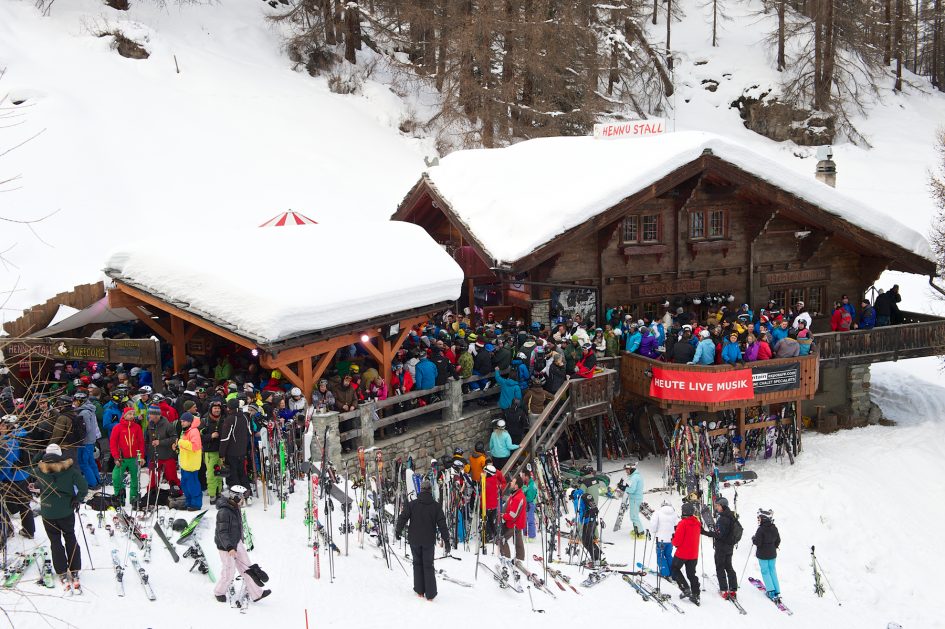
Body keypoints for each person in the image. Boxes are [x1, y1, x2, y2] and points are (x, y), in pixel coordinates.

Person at [34, 444, 88, 591]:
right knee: (70, 536)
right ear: (60, 455)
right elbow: (84, 487)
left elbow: (29, 467)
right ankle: (75, 567)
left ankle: (61, 571)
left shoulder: (40, 470)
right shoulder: (69, 470)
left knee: (55, 541)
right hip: (66, 510)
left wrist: (39, 455)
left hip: (48, 511)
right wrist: (78, 498)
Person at [213, 485, 271, 603]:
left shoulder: (235, 507)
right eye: (241, 497)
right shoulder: (224, 512)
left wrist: (240, 539)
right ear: (234, 497)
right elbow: (222, 532)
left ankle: (257, 593)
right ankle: (219, 592)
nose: (243, 500)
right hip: (226, 547)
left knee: (247, 568)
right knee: (229, 570)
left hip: (236, 541)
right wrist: (229, 547)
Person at [395, 478, 450, 600]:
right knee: (428, 565)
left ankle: (419, 590)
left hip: (414, 539)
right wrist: (446, 540)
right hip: (428, 541)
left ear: (421, 490)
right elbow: (442, 524)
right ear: (430, 491)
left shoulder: (412, 504)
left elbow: (403, 517)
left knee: (417, 563)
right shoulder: (436, 506)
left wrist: (398, 530)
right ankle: (430, 594)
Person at [0, 415, 35, 539]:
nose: (0, 427)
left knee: (6, 505)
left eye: (3, 425)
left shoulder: (8, 441)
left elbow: (6, 464)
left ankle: (8, 529)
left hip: (11, 477)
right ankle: (29, 530)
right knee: (24, 503)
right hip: (23, 474)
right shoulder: (21, 434)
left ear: (9, 426)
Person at [701, 497, 741, 600]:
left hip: (722, 547)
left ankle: (724, 590)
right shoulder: (731, 515)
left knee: (720, 567)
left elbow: (719, 535)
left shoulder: (723, 519)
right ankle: (733, 589)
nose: (716, 507)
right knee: (729, 567)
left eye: (717, 505)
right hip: (729, 546)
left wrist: (704, 532)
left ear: (722, 506)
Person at [109, 409, 144, 506]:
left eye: (133, 414)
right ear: (124, 415)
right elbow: (113, 443)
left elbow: (141, 443)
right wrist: (116, 457)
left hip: (134, 458)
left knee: (135, 479)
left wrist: (141, 457)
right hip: (122, 458)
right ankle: (120, 496)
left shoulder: (137, 427)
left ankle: (134, 498)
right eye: (129, 414)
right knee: (116, 477)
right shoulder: (117, 427)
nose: (132, 416)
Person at [671, 501, 701, 605]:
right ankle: (696, 593)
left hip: (682, 552)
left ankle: (685, 588)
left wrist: (673, 539)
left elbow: (677, 541)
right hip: (693, 554)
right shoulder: (697, 523)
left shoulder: (682, 523)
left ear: (684, 512)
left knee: (674, 569)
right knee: (691, 574)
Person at [219, 398, 251, 493]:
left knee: (233, 474)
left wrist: (221, 453)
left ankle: (237, 494)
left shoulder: (230, 419)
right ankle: (247, 491)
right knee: (242, 472)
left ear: (229, 408)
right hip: (242, 451)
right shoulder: (245, 417)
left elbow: (225, 438)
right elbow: (249, 433)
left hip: (232, 452)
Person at [71, 392, 101, 489]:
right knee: (91, 461)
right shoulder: (89, 410)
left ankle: (92, 483)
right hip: (90, 440)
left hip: (85, 441)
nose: (74, 403)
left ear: (80, 401)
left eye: (75, 401)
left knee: (84, 463)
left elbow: (86, 429)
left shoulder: (84, 412)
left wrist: (77, 436)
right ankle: (97, 480)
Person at [146, 404, 179, 490]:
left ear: (156, 415)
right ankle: (151, 495)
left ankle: (176, 493)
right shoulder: (150, 425)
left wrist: (160, 442)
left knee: (172, 479)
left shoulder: (168, 425)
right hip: (154, 456)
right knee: (152, 479)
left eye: (150, 414)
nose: (149, 416)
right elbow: (147, 439)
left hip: (167, 456)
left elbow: (174, 438)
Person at [753, 508, 782, 603]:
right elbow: (778, 540)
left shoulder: (761, 529)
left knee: (765, 571)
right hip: (772, 554)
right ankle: (777, 590)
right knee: (772, 570)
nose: (758, 520)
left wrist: (753, 539)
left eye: (759, 518)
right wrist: (774, 546)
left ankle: (770, 591)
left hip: (763, 555)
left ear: (764, 518)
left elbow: (758, 542)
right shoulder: (774, 528)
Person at [177, 412, 203, 511]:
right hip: (185, 463)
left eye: (184, 421)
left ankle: (196, 504)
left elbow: (195, 446)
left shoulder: (194, 431)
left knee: (193, 485)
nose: (182, 423)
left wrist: (180, 442)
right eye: (181, 421)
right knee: (185, 484)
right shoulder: (185, 431)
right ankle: (188, 502)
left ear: (189, 421)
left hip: (191, 464)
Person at [499, 475, 527, 561]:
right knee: (518, 541)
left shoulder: (518, 497)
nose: (511, 483)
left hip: (514, 523)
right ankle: (520, 558)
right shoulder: (514, 494)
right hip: (515, 522)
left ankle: (506, 558)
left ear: (516, 486)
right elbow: (509, 507)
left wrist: (503, 516)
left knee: (503, 539)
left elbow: (513, 515)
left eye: (513, 482)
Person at [201, 400, 225, 500]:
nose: (217, 410)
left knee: (220, 473)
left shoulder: (224, 420)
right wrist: (210, 436)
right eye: (215, 408)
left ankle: (219, 492)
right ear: (211, 409)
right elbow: (199, 436)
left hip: (221, 451)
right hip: (210, 452)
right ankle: (212, 494)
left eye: (218, 408)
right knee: (211, 474)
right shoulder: (205, 421)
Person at [649, 501, 678, 577]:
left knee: (660, 556)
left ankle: (665, 573)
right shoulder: (674, 514)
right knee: (668, 555)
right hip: (671, 539)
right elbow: (677, 526)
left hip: (661, 539)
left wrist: (654, 530)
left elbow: (653, 526)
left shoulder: (657, 513)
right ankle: (672, 572)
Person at [618, 462, 645, 539]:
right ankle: (637, 530)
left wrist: (623, 488)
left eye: (627, 470)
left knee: (634, 516)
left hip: (635, 499)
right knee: (633, 515)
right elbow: (631, 486)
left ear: (632, 469)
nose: (626, 471)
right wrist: (624, 486)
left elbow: (632, 490)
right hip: (635, 498)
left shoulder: (634, 477)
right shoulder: (634, 476)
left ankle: (640, 532)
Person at [483, 464, 506, 546]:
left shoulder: (485, 482)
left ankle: (490, 535)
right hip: (494, 506)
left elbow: (482, 495)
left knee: (486, 521)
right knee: (491, 521)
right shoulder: (496, 481)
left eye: (485, 472)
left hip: (486, 505)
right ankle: (495, 534)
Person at [522, 470, 538, 541]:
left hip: (530, 503)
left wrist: (523, 495)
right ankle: (526, 534)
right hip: (526, 503)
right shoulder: (526, 483)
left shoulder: (531, 485)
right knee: (524, 519)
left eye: (523, 475)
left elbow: (529, 497)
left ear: (527, 476)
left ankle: (531, 536)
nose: (522, 477)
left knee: (530, 520)